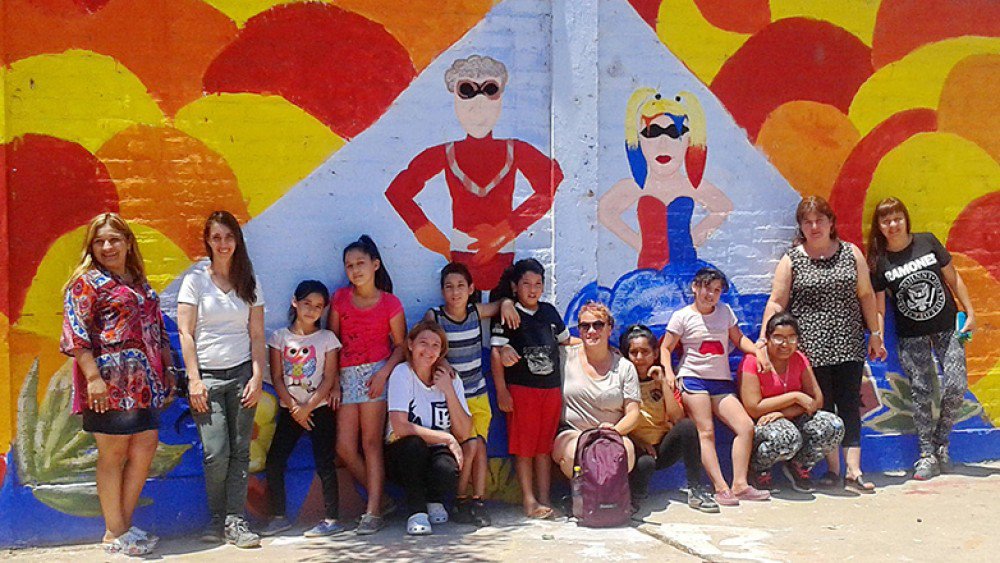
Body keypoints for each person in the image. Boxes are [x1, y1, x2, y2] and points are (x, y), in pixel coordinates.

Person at [385, 54, 563, 289]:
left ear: (500, 99)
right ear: (456, 100)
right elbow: (397, 192)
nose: (479, 102)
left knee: (506, 316)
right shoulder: (445, 153)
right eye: (467, 90)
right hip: (460, 262)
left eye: (490, 90)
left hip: (505, 261)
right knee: (463, 318)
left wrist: (503, 233)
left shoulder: (515, 149)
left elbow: (552, 181)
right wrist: (437, 242)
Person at [60, 212, 174, 556]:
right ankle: (114, 532)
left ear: (127, 242)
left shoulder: (137, 281)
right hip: (108, 380)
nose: (107, 246)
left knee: (145, 446)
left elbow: (155, 326)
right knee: (113, 453)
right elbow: (75, 334)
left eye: (114, 239)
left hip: (144, 380)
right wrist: (92, 378)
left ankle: (123, 525)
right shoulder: (87, 282)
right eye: (100, 241)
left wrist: (167, 368)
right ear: (91, 247)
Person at [759, 196, 885, 493]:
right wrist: (764, 339)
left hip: (849, 342)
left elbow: (866, 295)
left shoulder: (851, 254)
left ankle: (854, 471)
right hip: (811, 350)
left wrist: (875, 333)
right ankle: (832, 470)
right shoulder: (792, 259)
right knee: (823, 407)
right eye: (807, 221)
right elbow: (777, 301)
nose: (814, 226)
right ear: (801, 226)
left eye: (819, 220)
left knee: (851, 405)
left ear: (831, 223)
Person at [867, 197, 976, 480]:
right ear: (879, 226)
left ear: (906, 219)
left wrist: (970, 311)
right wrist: (876, 336)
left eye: (897, 218)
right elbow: (880, 306)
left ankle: (941, 442)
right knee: (921, 392)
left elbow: (954, 279)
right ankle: (927, 455)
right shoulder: (881, 262)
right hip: (911, 335)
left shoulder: (927, 242)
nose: (893, 224)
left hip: (947, 328)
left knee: (956, 383)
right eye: (886, 220)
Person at [177, 210, 266, 548]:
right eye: (217, 237)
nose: (224, 244)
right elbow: (186, 333)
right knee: (216, 452)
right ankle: (217, 518)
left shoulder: (250, 283)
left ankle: (235, 520)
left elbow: (257, 335)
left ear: (237, 241)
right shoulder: (195, 281)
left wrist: (258, 376)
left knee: (241, 451)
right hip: (208, 379)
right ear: (208, 241)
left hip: (243, 373)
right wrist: (194, 380)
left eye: (229, 237)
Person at [661, 267, 770, 506]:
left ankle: (739, 484)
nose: (710, 295)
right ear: (695, 287)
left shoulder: (725, 312)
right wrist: (669, 373)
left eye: (716, 290)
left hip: (720, 381)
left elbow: (738, 338)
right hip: (693, 379)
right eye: (706, 288)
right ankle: (721, 487)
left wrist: (758, 352)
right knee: (706, 431)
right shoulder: (682, 316)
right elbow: (666, 348)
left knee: (745, 426)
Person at [423, 262, 519, 526]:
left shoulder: (476, 312)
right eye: (449, 287)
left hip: (478, 394)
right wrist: (441, 364)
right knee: (468, 447)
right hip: (451, 396)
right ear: (442, 290)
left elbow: (500, 305)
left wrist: (507, 304)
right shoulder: (435, 316)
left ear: (471, 289)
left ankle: (477, 501)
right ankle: (459, 499)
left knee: (480, 448)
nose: (455, 293)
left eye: (461, 286)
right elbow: (425, 343)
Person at [599, 88, 732, 269]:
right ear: (638, 141)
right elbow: (605, 211)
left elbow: (723, 207)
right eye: (652, 133)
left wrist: (691, 243)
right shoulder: (636, 186)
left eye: (674, 133)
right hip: (648, 272)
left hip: (686, 269)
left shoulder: (692, 186)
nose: (663, 144)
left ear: (689, 141)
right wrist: (641, 246)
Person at [328, 235, 406, 534]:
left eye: (361, 263)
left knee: (371, 444)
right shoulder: (340, 298)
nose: (355, 270)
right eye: (349, 265)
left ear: (375, 265)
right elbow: (331, 341)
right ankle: (383, 499)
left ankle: (372, 511)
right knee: (345, 447)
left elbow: (400, 346)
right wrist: (333, 380)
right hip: (346, 376)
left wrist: (384, 374)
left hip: (376, 375)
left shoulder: (390, 303)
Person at [261, 280, 345, 537]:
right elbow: (276, 377)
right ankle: (278, 516)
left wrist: (308, 407)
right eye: (306, 303)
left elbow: (329, 377)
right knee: (274, 461)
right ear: (294, 302)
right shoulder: (279, 338)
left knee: (325, 462)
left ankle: (332, 519)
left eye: (318, 306)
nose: (311, 310)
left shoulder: (327, 338)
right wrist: (294, 406)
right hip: (290, 410)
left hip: (319, 409)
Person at [489, 258, 570, 519]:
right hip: (522, 391)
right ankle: (528, 500)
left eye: (538, 284)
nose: (532, 290)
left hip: (551, 390)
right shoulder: (508, 315)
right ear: (515, 287)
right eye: (526, 284)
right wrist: (502, 391)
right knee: (523, 448)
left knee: (544, 449)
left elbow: (567, 343)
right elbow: (496, 353)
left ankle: (545, 499)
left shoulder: (549, 312)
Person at [739, 313, 845, 493]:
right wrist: (795, 396)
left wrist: (784, 412)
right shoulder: (752, 362)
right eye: (778, 338)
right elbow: (754, 408)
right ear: (768, 339)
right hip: (764, 424)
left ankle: (798, 466)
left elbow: (816, 401)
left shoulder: (799, 358)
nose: (785, 344)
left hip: (790, 417)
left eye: (791, 338)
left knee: (833, 425)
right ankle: (758, 469)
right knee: (787, 437)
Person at [384, 321, 472, 536]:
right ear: (411, 344)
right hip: (401, 452)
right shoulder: (402, 373)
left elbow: (464, 432)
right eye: (423, 343)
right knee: (414, 446)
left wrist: (449, 391)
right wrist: (447, 438)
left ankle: (434, 499)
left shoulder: (450, 378)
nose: (429, 350)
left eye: (436, 345)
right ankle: (416, 511)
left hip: (435, 450)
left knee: (446, 467)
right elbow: (400, 426)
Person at [620, 324, 718, 513]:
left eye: (645, 352)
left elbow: (677, 417)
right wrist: (637, 442)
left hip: (662, 448)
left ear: (655, 353)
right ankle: (634, 495)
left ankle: (696, 490)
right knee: (645, 464)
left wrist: (662, 383)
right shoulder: (622, 381)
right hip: (637, 451)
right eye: (634, 353)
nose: (640, 358)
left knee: (688, 426)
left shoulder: (663, 380)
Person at [550, 304, 641, 493]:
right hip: (573, 432)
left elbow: (633, 413)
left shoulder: (624, 367)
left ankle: (607, 500)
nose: (591, 331)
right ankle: (587, 499)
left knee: (627, 452)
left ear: (610, 329)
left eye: (598, 325)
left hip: (612, 433)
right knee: (576, 452)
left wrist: (614, 432)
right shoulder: (564, 357)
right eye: (585, 326)